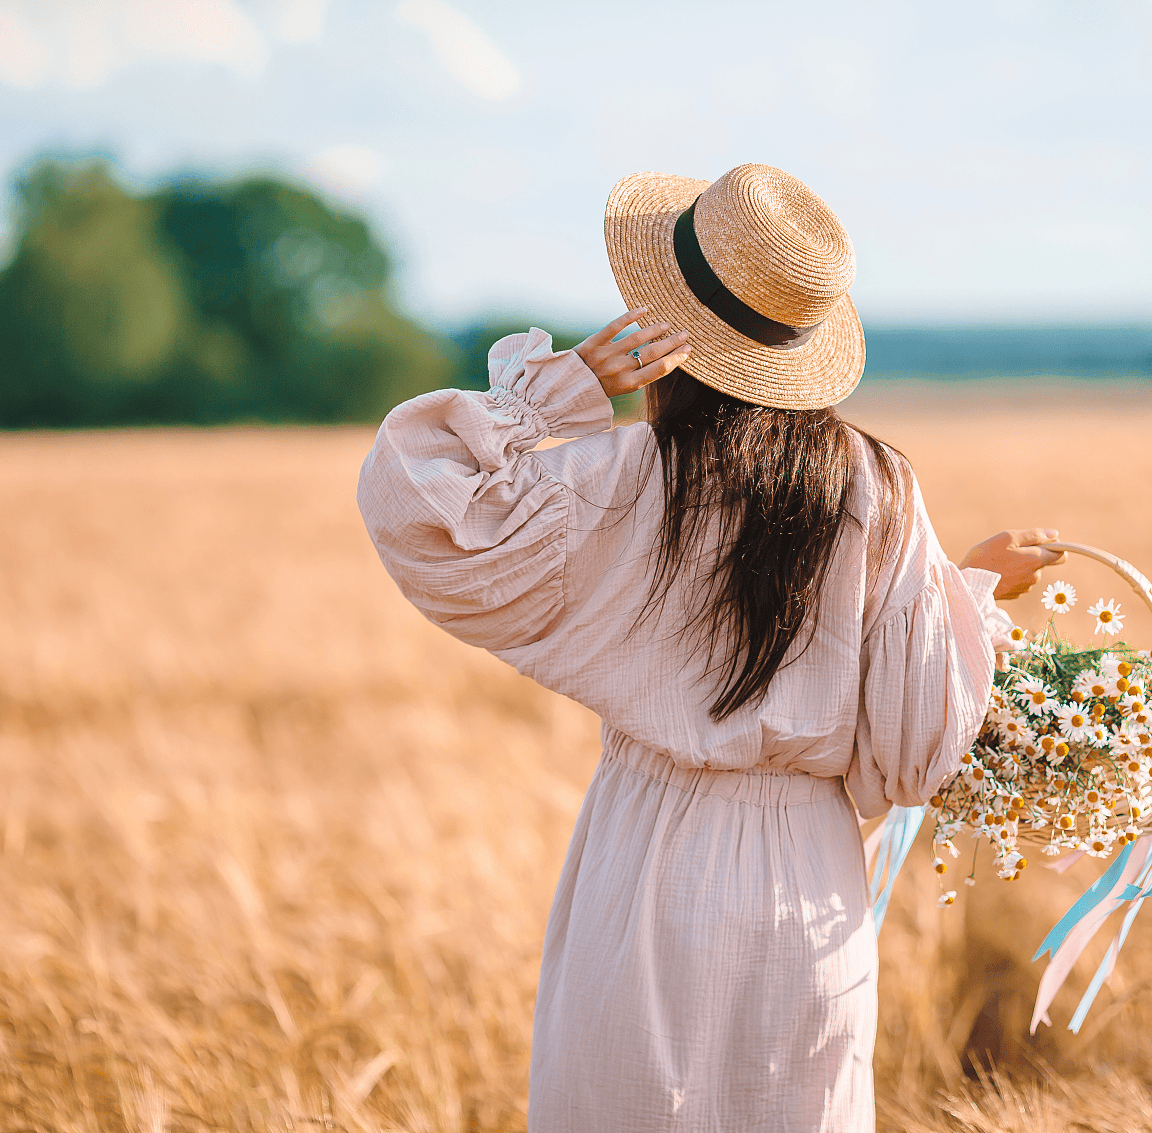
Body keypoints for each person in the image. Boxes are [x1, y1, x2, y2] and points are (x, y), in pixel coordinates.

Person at [357, 164, 1062, 1133]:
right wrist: (964, 592)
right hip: (809, 886)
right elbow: (917, 752)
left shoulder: (621, 477)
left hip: (645, 854)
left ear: (668, 330)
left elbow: (415, 498)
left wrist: (563, 389)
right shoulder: (879, 489)